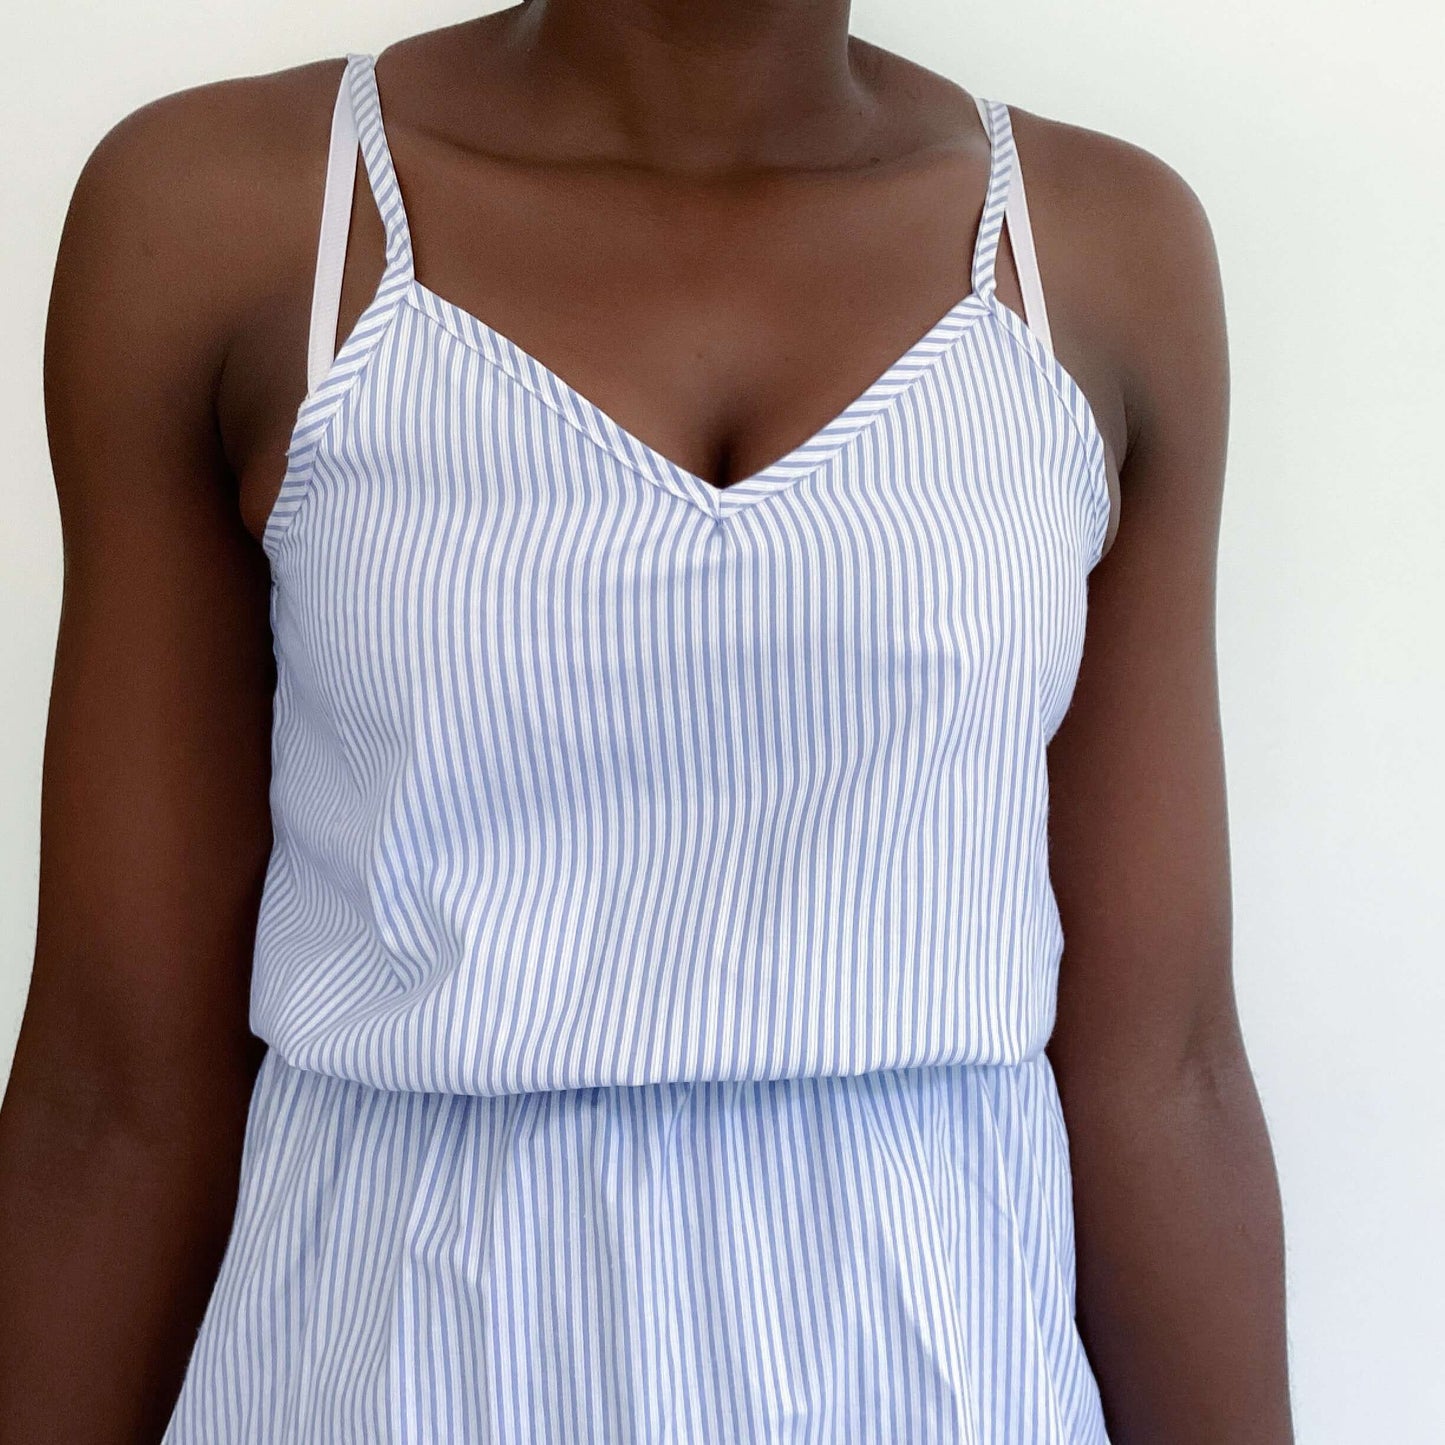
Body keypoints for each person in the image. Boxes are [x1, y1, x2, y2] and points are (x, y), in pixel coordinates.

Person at [0, 3, 1294, 1441]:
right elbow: (114, 1081)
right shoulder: (230, 220)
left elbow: (1162, 1066)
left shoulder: (1097, 254)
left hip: (938, 1369)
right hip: (394, 1367)